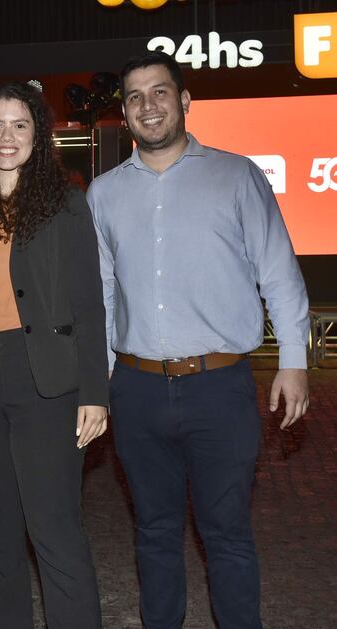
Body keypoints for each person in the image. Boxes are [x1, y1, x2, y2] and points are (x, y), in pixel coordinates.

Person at [87, 51, 309, 629]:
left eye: (159, 92)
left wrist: (294, 362)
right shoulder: (103, 195)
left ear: (184, 101)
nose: (147, 106)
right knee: (155, 533)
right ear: (125, 114)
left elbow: (279, 273)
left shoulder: (238, 176)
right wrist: (103, 374)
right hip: (135, 390)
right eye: (135, 97)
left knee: (227, 534)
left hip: (220, 387)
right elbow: (103, 293)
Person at [0, 82, 109, 629]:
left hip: (43, 380)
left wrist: (94, 393)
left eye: (20, 125)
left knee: (55, 530)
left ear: (38, 135)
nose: (7, 136)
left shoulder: (65, 204)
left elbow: (88, 301)